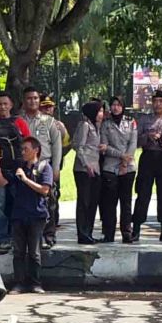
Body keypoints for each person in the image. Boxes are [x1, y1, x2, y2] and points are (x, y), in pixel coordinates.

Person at [0, 90, 31, 248]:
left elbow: (29, 145)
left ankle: (18, 235)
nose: (2, 107)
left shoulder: (19, 122)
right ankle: (3, 236)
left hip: (18, 169)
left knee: (18, 203)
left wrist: (28, 169)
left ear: (11, 105)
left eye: (5, 104)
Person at [19, 87, 63, 248]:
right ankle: (25, 237)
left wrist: (56, 167)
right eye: (29, 98)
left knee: (49, 202)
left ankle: (48, 235)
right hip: (25, 166)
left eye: (36, 98)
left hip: (44, 164)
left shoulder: (49, 121)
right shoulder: (18, 121)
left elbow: (57, 145)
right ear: (24, 101)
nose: (33, 101)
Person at [132, 90, 162, 242]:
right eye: (155, 101)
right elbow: (136, 141)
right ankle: (136, 229)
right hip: (148, 157)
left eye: (161, 101)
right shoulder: (145, 120)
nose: (157, 104)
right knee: (143, 193)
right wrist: (148, 136)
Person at [12, 136, 53, 292]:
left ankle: (35, 283)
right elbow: (4, 182)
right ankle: (19, 283)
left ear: (36, 150)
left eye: (26, 149)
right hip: (19, 214)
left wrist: (25, 179)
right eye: (22, 149)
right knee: (18, 251)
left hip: (36, 214)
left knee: (34, 252)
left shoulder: (44, 167)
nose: (23, 152)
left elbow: (44, 190)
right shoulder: (20, 167)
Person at [99, 96, 138, 244]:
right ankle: (109, 233)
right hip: (110, 166)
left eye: (118, 105)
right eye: (113, 105)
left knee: (126, 201)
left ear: (123, 106)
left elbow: (133, 143)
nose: (115, 107)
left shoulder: (131, 121)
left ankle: (126, 233)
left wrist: (125, 161)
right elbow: (104, 146)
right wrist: (121, 156)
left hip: (128, 167)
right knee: (110, 202)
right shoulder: (105, 124)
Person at [72, 101, 103, 246]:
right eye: (100, 111)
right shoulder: (84, 125)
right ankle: (82, 233)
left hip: (95, 168)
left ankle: (89, 232)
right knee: (84, 201)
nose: (102, 114)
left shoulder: (95, 126)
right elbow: (78, 146)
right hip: (84, 169)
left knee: (93, 201)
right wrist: (86, 164)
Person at [39, 94, 69, 246]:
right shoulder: (37, 122)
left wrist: (62, 129)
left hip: (52, 164)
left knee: (53, 197)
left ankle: (52, 227)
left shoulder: (56, 124)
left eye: (50, 107)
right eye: (44, 107)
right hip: (38, 164)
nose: (47, 109)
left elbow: (65, 142)